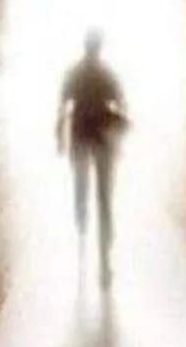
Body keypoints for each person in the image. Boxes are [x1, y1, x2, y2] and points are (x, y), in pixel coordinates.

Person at [56, 28, 128, 289]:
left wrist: (59, 137)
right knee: (105, 199)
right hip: (102, 140)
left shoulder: (74, 73)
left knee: (82, 188)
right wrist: (119, 131)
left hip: (80, 138)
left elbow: (62, 107)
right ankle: (104, 257)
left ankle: (82, 222)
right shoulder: (107, 73)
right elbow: (121, 104)